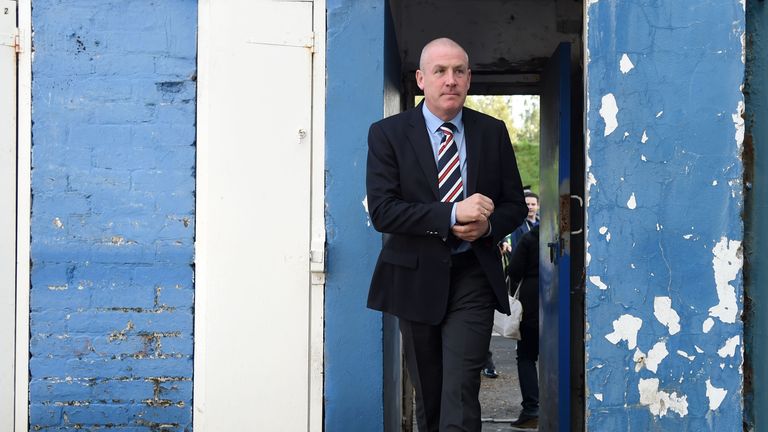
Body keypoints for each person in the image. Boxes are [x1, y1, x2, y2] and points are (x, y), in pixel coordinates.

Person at [366, 37, 527, 432]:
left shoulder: (492, 131)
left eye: (458, 71)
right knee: (431, 393)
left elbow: (514, 205)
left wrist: (488, 226)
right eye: (439, 71)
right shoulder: (388, 134)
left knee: (461, 390)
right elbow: (383, 211)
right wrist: (452, 212)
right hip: (414, 278)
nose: (450, 79)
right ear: (422, 79)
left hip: (472, 275)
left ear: (469, 78)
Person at [506, 225, 540, 429]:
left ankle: (531, 408)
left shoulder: (529, 238)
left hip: (531, 300)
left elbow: (514, 270)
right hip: (559, 297)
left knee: (526, 356)